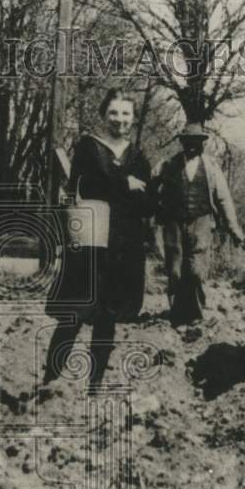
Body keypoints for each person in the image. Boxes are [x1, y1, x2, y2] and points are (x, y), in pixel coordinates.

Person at [42, 88, 155, 389]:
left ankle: (95, 386)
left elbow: (146, 201)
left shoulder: (139, 156)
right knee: (73, 314)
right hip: (90, 245)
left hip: (122, 248)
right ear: (104, 115)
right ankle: (49, 380)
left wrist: (126, 190)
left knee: (107, 318)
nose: (120, 120)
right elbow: (86, 181)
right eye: (114, 113)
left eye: (126, 114)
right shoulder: (88, 148)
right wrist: (124, 183)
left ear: (134, 118)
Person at [151, 123, 245, 330]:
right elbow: (152, 191)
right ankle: (176, 313)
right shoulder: (167, 165)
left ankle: (195, 313)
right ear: (182, 143)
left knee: (195, 270)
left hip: (201, 221)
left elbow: (223, 199)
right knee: (175, 270)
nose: (192, 146)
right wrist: (150, 218)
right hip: (173, 223)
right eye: (188, 142)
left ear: (202, 143)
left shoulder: (212, 168)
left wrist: (234, 229)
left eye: (197, 142)